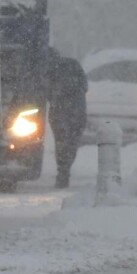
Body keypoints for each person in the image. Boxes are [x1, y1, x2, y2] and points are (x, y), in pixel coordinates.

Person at [46, 49, 88, 188]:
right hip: (77, 112)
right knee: (71, 142)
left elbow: (45, 93)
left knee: (61, 142)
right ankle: (65, 170)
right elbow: (84, 86)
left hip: (60, 111)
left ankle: (63, 172)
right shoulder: (73, 65)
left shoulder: (50, 71)